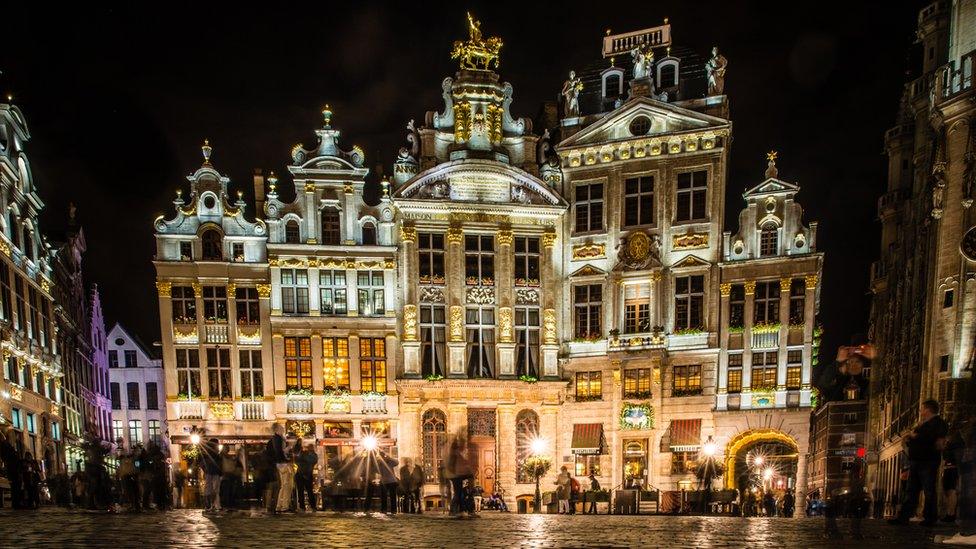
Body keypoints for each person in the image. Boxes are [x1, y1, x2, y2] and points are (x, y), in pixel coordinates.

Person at [890, 399, 949, 527]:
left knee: (928, 489)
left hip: (927, 460)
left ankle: (929, 517)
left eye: (922, 409)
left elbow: (933, 439)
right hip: (917, 460)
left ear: (927, 410)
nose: (920, 411)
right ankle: (904, 517)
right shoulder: (922, 424)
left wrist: (915, 436)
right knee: (911, 490)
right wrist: (910, 440)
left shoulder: (938, 423)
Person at [1, 427, 24, 509]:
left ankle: (17, 503)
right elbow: (6, 457)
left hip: (15, 469)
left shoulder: (10, 445)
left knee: (17, 487)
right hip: (12, 469)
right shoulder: (5, 445)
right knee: (15, 487)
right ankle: (16, 503)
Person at [275, 434, 297, 513]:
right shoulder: (287, 449)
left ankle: (280, 505)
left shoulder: (284, 449)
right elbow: (288, 459)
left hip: (285, 468)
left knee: (284, 487)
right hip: (287, 468)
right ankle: (285, 506)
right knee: (287, 487)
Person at [295, 444, 317, 512]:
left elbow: (297, 461)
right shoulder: (313, 455)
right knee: (309, 491)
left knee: (301, 491)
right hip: (307, 474)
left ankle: (302, 507)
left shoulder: (304, 454)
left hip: (301, 474)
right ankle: (313, 506)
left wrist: (301, 454)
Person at [202, 438, 222, 513]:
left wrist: (205, 470)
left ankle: (209, 505)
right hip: (214, 472)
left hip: (209, 472)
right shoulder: (215, 454)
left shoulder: (207, 453)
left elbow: (203, 463)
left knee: (209, 489)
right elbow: (218, 463)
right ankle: (213, 505)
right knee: (214, 489)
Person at [219, 444, 241, 511]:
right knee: (226, 490)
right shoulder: (221, 456)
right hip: (225, 476)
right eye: (226, 448)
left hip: (230, 475)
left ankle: (228, 504)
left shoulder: (228, 457)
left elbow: (233, 463)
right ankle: (226, 504)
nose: (227, 450)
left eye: (227, 448)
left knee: (230, 490)